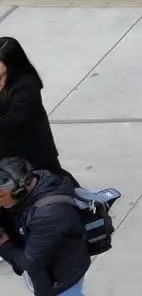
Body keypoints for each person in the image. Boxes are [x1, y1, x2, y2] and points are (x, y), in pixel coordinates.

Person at [0, 157, 87, 296]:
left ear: (19, 191)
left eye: (1, 196)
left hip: (61, 279)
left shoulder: (48, 214)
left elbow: (30, 262)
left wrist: (4, 244)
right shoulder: (36, 180)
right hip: (49, 262)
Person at [0, 40, 60, 176]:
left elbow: (12, 120)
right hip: (6, 149)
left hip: (31, 147)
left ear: (10, 62)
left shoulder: (27, 83)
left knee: (51, 178)